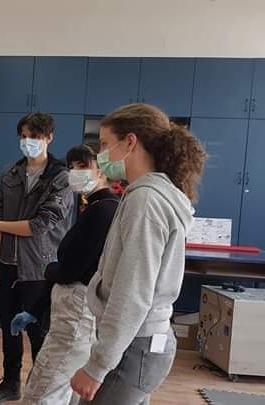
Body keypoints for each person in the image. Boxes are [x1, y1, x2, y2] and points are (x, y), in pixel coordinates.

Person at [70, 103, 206, 404]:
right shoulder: (149, 195)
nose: (101, 154)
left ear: (130, 142)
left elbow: (132, 293)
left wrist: (97, 366)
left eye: (104, 144)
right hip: (140, 343)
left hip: (134, 346)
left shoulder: (145, 201)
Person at [9, 144, 120, 405]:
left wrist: (49, 269)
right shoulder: (92, 207)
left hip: (76, 316)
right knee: (60, 390)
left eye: (83, 166)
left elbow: (70, 269)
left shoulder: (105, 210)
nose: (75, 172)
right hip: (68, 314)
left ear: (102, 170)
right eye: (72, 167)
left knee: (42, 391)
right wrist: (36, 309)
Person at [0, 112, 74, 404]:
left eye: (34, 136)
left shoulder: (61, 178)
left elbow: (39, 226)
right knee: (9, 329)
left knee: (38, 332)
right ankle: (11, 383)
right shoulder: (10, 173)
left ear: (49, 137)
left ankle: (41, 389)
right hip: (6, 264)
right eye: (23, 136)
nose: (27, 141)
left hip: (40, 268)